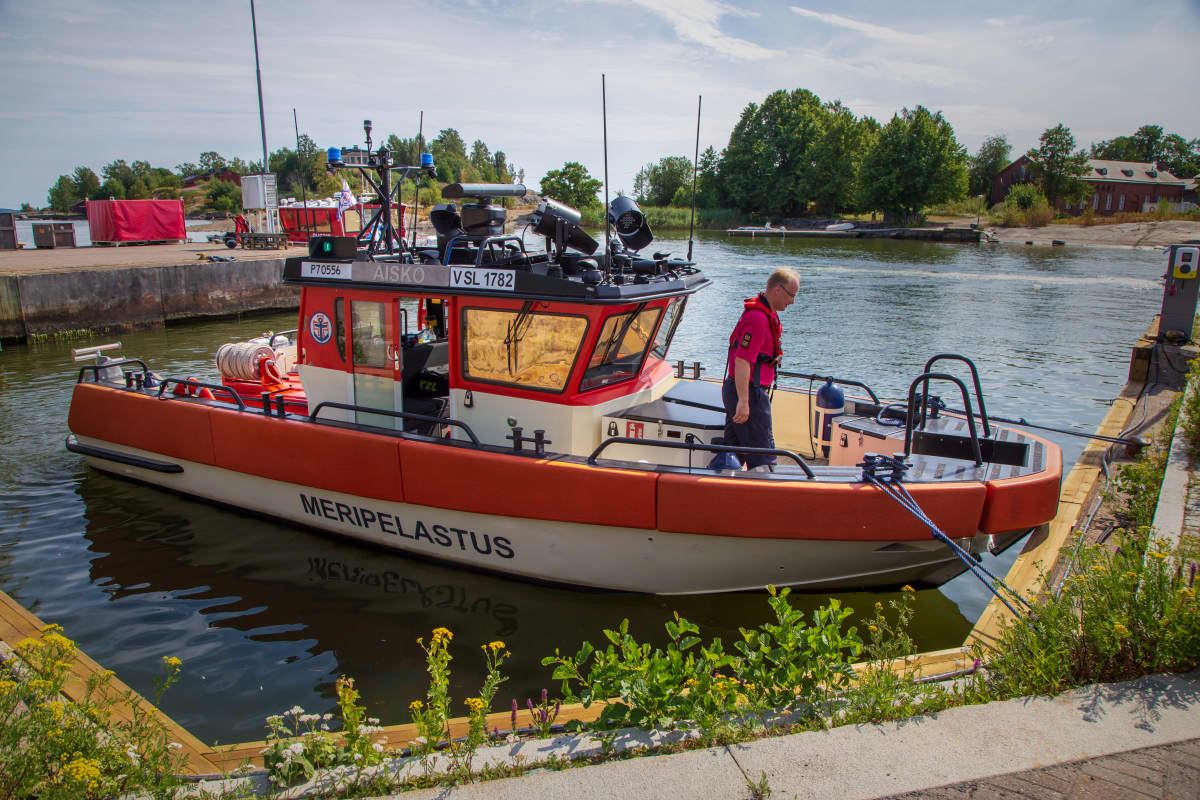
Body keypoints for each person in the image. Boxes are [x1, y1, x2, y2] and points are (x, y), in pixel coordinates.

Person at [722, 268, 800, 471]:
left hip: (742, 391)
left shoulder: (764, 315)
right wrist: (744, 402)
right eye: (791, 295)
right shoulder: (758, 320)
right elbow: (742, 360)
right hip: (749, 394)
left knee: (733, 451)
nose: (792, 301)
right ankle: (765, 494)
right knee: (764, 457)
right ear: (777, 290)